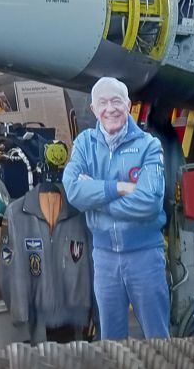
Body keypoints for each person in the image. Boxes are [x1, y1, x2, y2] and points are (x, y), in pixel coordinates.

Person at [64, 76, 169, 339]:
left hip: (145, 256)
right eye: (102, 103)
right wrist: (118, 188)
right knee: (111, 342)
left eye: (116, 101)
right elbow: (73, 191)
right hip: (105, 259)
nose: (110, 109)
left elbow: (149, 202)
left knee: (158, 338)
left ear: (128, 105)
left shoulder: (149, 146)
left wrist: (96, 199)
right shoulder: (84, 144)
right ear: (93, 109)